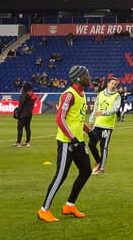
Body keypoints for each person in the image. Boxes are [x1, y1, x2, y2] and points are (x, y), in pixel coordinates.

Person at [38, 65, 93, 222]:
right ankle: (44, 209)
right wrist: (72, 138)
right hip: (66, 142)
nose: (89, 78)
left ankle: (69, 205)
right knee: (61, 175)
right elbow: (60, 119)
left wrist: (88, 131)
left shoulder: (82, 94)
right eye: (86, 75)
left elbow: (76, 118)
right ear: (78, 78)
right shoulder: (69, 95)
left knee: (86, 171)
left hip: (79, 141)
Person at [89, 76, 123, 174]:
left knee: (103, 146)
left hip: (107, 126)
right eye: (112, 83)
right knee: (91, 144)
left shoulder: (117, 96)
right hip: (98, 124)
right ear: (108, 84)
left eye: (115, 84)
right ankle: (98, 161)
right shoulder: (100, 94)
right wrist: (91, 121)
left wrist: (103, 113)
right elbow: (96, 108)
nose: (113, 85)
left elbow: (115, 109)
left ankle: (101, 168)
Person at [13, 82, 36, 146]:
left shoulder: (24, 94)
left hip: (23, 113)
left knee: (20, 127)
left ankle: (18, 142)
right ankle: (27, 142)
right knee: (27, 127)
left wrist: (17, 112)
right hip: (29, 113)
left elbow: (21, 105)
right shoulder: (32, 95)